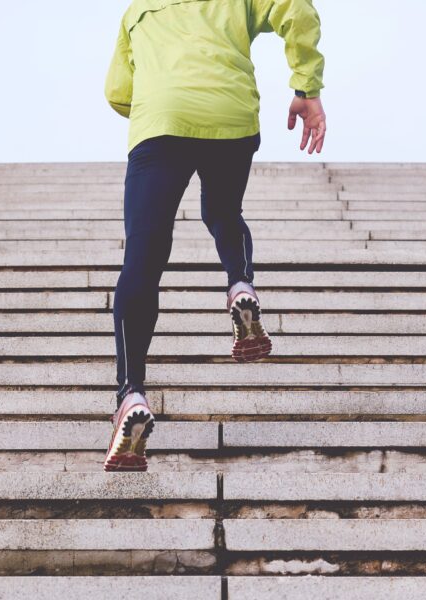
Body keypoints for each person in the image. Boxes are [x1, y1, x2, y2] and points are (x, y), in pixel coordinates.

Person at [103, 0, 326, 472]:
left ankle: (131, 394)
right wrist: (306, 86)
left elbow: (118, 92)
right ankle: (240, 284)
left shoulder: (135, 11)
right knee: (224, 211)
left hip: (161, 120)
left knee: (143, 257)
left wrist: (160, 94)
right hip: (230, 113)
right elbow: (298, 11)